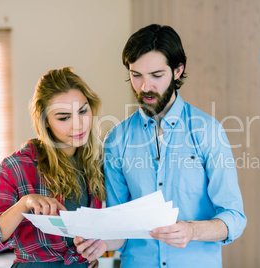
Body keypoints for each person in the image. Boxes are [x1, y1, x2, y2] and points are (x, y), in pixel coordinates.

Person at [75, 24, 247, 267]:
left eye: (156, 75)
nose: (145, 87)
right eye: (136, 76)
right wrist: (101, 243)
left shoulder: (208, 131)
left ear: (178, 71)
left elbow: (234, 218)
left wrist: (191, 230)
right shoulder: (115, 140)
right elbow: (119, 226)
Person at [0, 67, 107, 267]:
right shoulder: (17, 167)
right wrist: (24, 203)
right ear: (45, 122)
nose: (79, 124)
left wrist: (95, 247)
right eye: (64, 117)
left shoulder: (98, 162)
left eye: (83, 111)